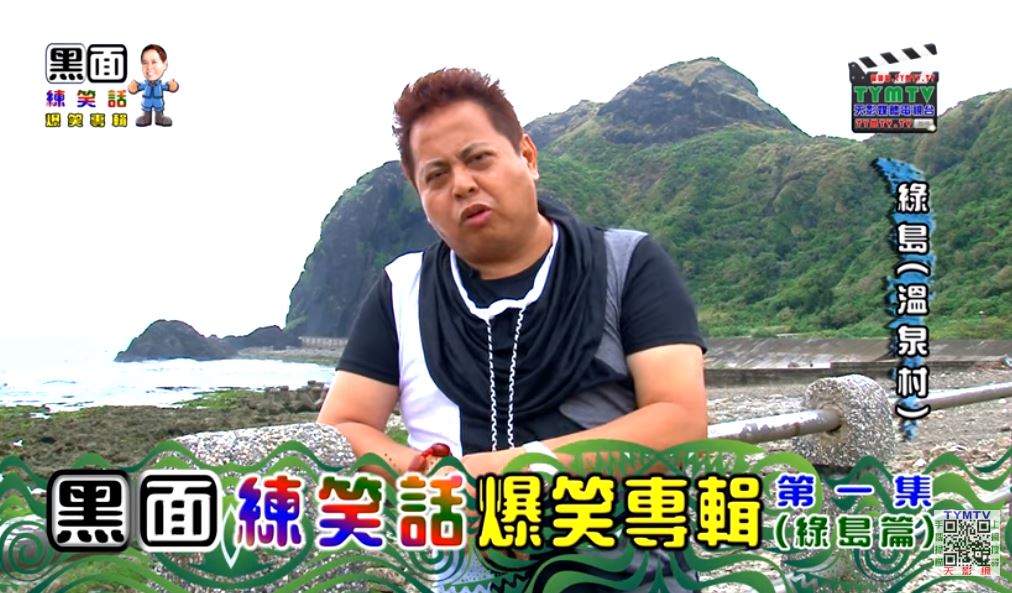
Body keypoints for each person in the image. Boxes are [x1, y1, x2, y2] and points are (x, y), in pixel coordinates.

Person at [318, 68, 707, 592]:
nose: (462, 184)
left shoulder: (627, 263)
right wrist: (428, 477)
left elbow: (680, 421)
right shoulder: (401, 289)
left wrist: (501, 475)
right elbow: (340, 428)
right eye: (436, 176)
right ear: (420, 195)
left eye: (478, 159)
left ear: (527, 156)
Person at [127, 44, 178, 127]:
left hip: (158, 102)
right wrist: (135, 87)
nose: (149, 67)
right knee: (146, 110)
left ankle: (160, 118)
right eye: (144, 63)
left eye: (154, 62)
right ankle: (146, 118)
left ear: (165, 65)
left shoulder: (160, 85)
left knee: (159, 110)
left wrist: (171, 86)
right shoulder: (145, 84)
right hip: (146, 103)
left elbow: (167, 87)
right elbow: (138, 87)